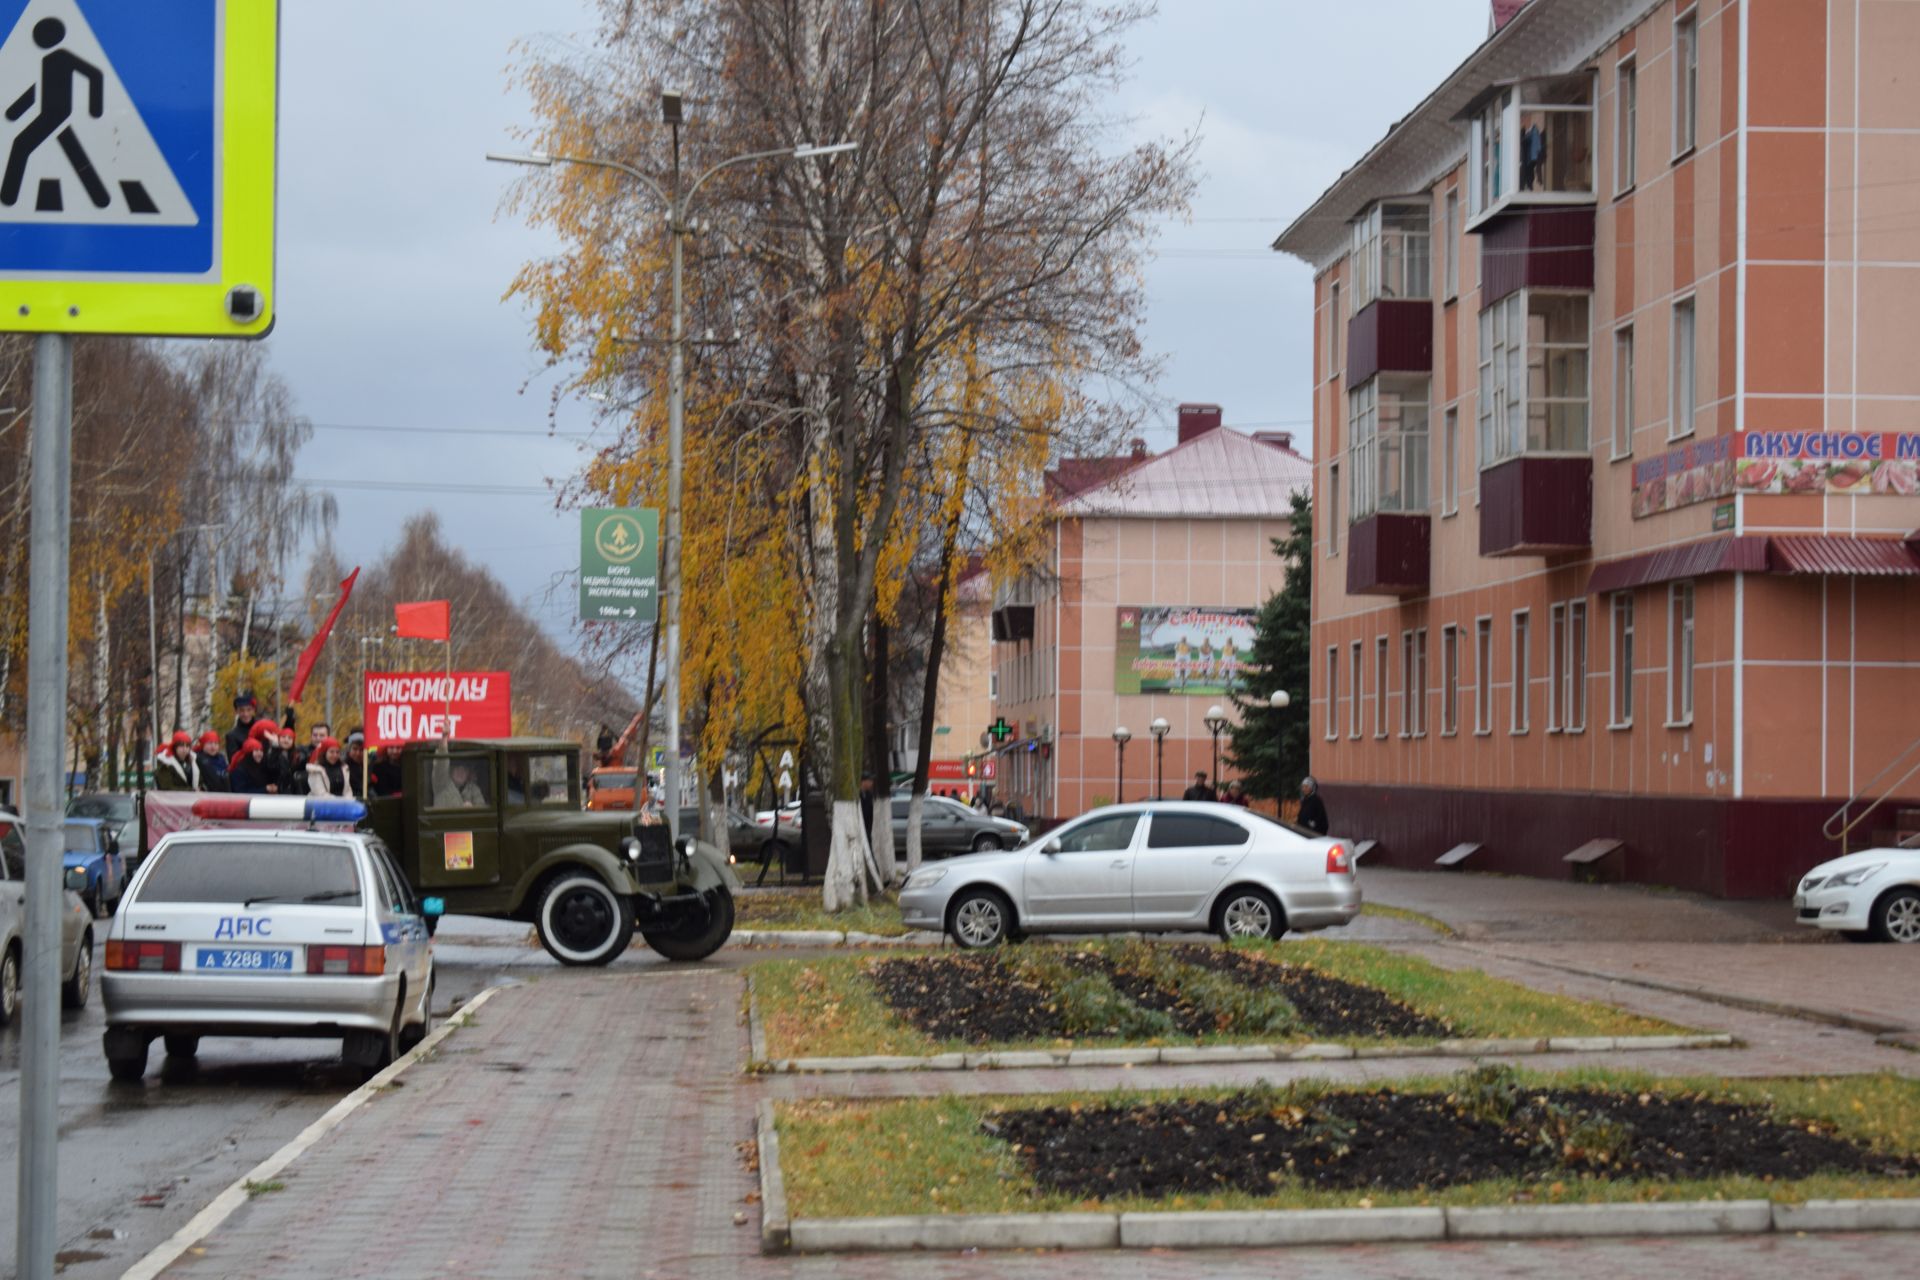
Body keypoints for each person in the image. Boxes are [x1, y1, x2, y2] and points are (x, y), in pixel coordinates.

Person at [223, 692, 259, 759]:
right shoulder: (232, 736)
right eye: (242, 710)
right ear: (237, 711)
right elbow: (234, 762)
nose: (246, 714)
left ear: (253, 710)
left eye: (249, 710)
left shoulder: (262, 730)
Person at [343, 730, 368, 798]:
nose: (358, 753)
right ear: (349, 749)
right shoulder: (344, 767)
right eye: (355, 749)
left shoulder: (369, 765)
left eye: (361, 750)